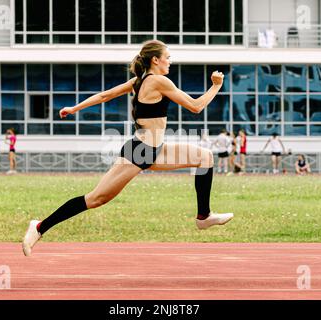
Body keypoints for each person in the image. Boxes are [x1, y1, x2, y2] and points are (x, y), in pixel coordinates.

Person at [22, 40, 234, 256]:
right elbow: (196, 106)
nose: (170, 61)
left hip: (156, 149)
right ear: (155, 60)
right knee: (96, 199)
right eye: (167, 57)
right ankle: (39, 227)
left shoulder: (139, 81)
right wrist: (216, 85)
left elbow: (106, 95)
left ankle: (204, 216)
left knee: (205, 157)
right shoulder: (159, 81)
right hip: (139, 151)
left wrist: (74, 108)